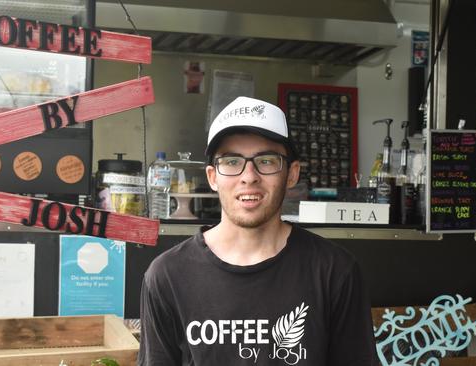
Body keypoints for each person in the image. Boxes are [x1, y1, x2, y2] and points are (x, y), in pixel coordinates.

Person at [138, 96, 377, 365]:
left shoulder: (335, 270)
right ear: (212, 177)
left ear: (292, 173)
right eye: (231, 161)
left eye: (266, 161)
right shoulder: (167, 276)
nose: (249, 176)